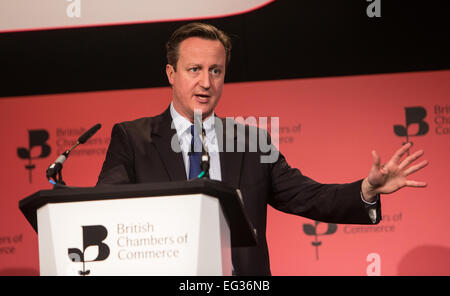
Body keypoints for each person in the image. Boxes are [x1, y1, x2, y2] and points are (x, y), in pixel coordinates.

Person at [97, 22, 428, 275]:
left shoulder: (252, 144)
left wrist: (366, 190)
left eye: (216, 71)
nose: (206, 83)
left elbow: (307, 196)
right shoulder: (133, 138)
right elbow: (104, 210)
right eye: (194, 70)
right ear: (171, 73)